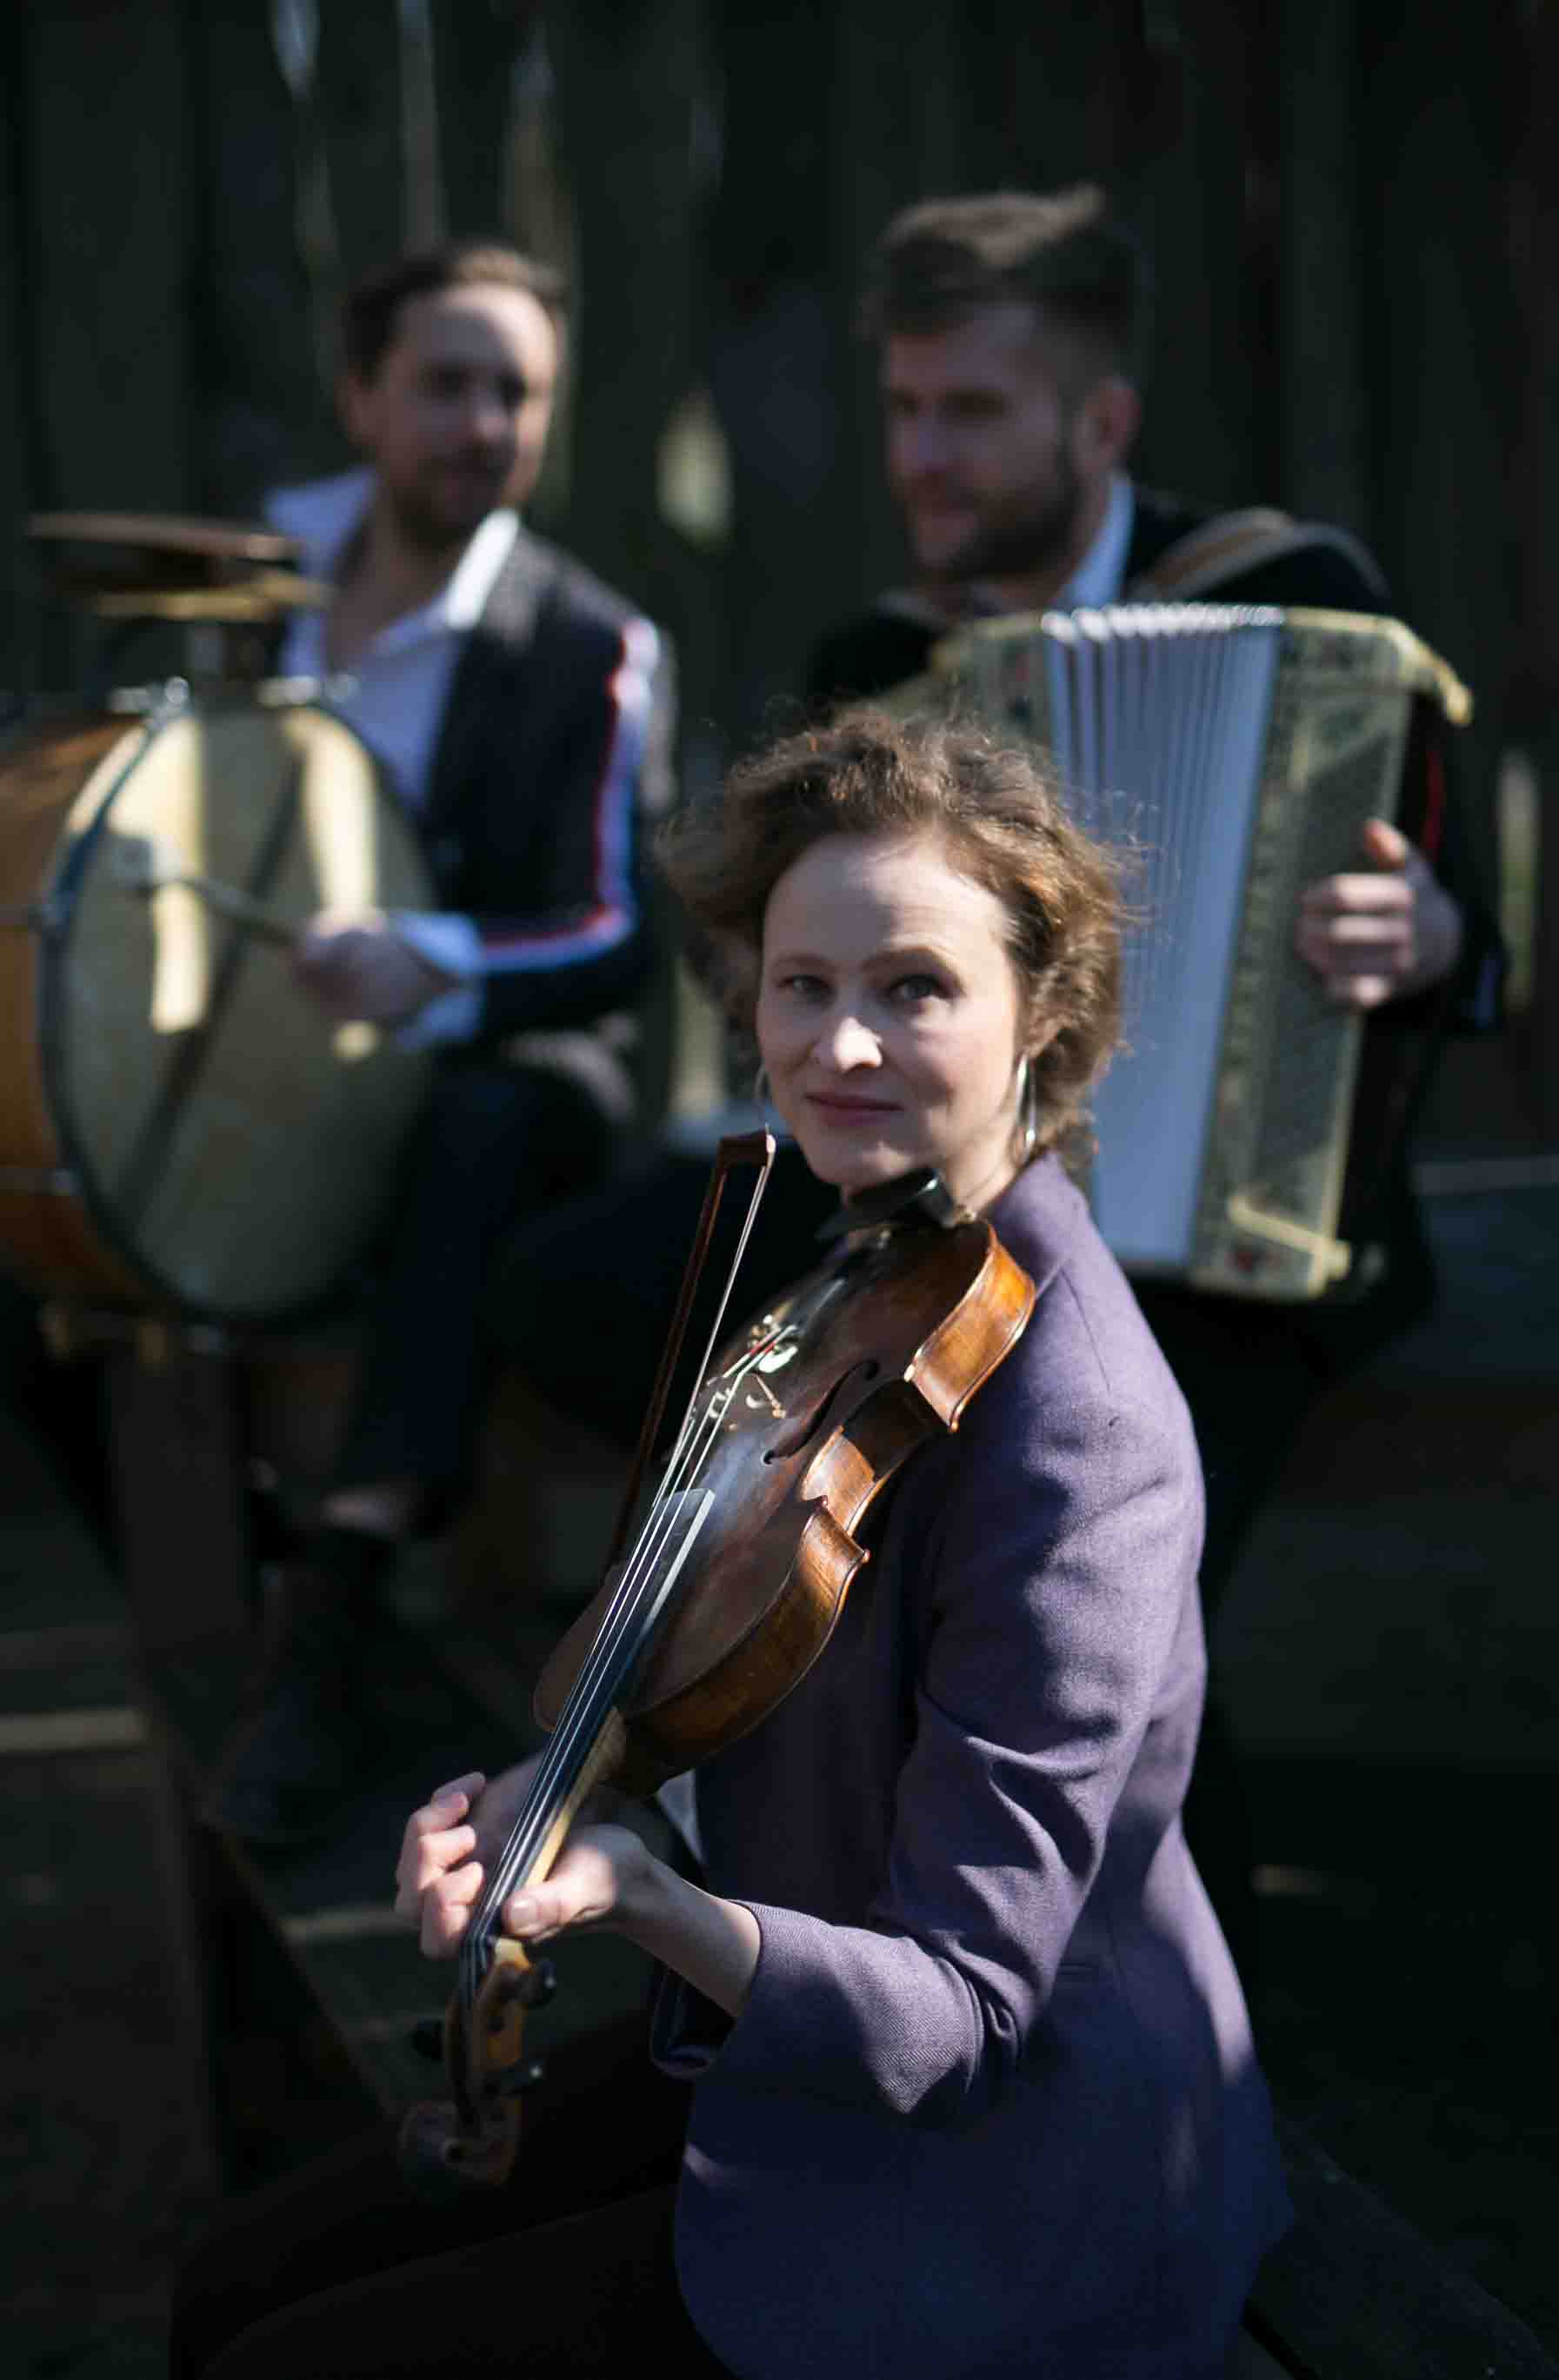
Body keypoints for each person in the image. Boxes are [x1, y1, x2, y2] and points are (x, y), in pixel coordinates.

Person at [170, 710, 1289, 2380]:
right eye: (801, 984)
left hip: (1001, 2187)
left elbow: (963, 2012)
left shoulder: (1078, 1427)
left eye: (913, 986)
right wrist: (543, 1806)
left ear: (1040, 1013)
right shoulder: (863, 1263)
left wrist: (630, 1892)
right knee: (230, 2285)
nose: (839, 1045)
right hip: (779, 2037)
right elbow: (731, 1713)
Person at [803, 187, 1507, 1964]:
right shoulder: (876, 669)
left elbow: (1464, 940)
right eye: (901, 407)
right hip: (961, 1239)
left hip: (1257, 1254)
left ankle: (1159, 2035)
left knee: (1090, 1554)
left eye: (967, 411)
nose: (922, 457)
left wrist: (1422, 935)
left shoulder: (1298, 601)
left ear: (1097, 423)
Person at [206, 242, 673, 1847]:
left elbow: (616, 934)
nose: (482, 422)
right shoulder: (246, 582)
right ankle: (248, 1588)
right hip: (253, 1070)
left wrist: (435, 965)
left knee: (486, 1118)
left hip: (502, 1084)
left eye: (517, 392)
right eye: (446, 384)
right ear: (360, 397)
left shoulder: (589, 639)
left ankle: (334, 1602)